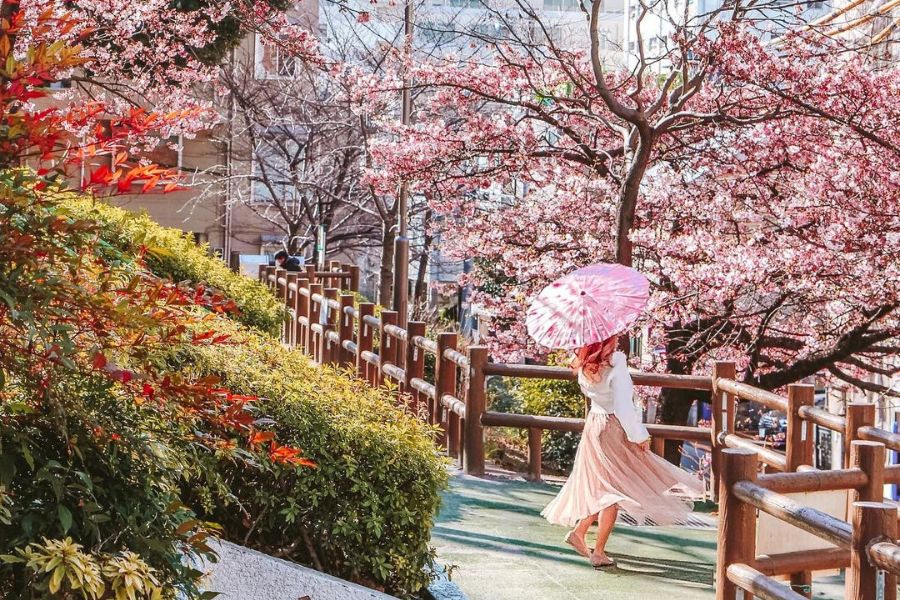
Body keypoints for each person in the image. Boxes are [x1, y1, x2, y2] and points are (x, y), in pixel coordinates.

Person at [541, 335, 703, 569]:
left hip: (594, 424)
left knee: (601, 485)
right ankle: (598, 551)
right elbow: (624, 408)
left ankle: (580, 531)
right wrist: (639, 435)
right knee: (612, 491)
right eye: (613, 341)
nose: (617, 344)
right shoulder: (617, 369)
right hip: (613, 428)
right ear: (608, 343)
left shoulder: (585, 368)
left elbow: (598, 398)